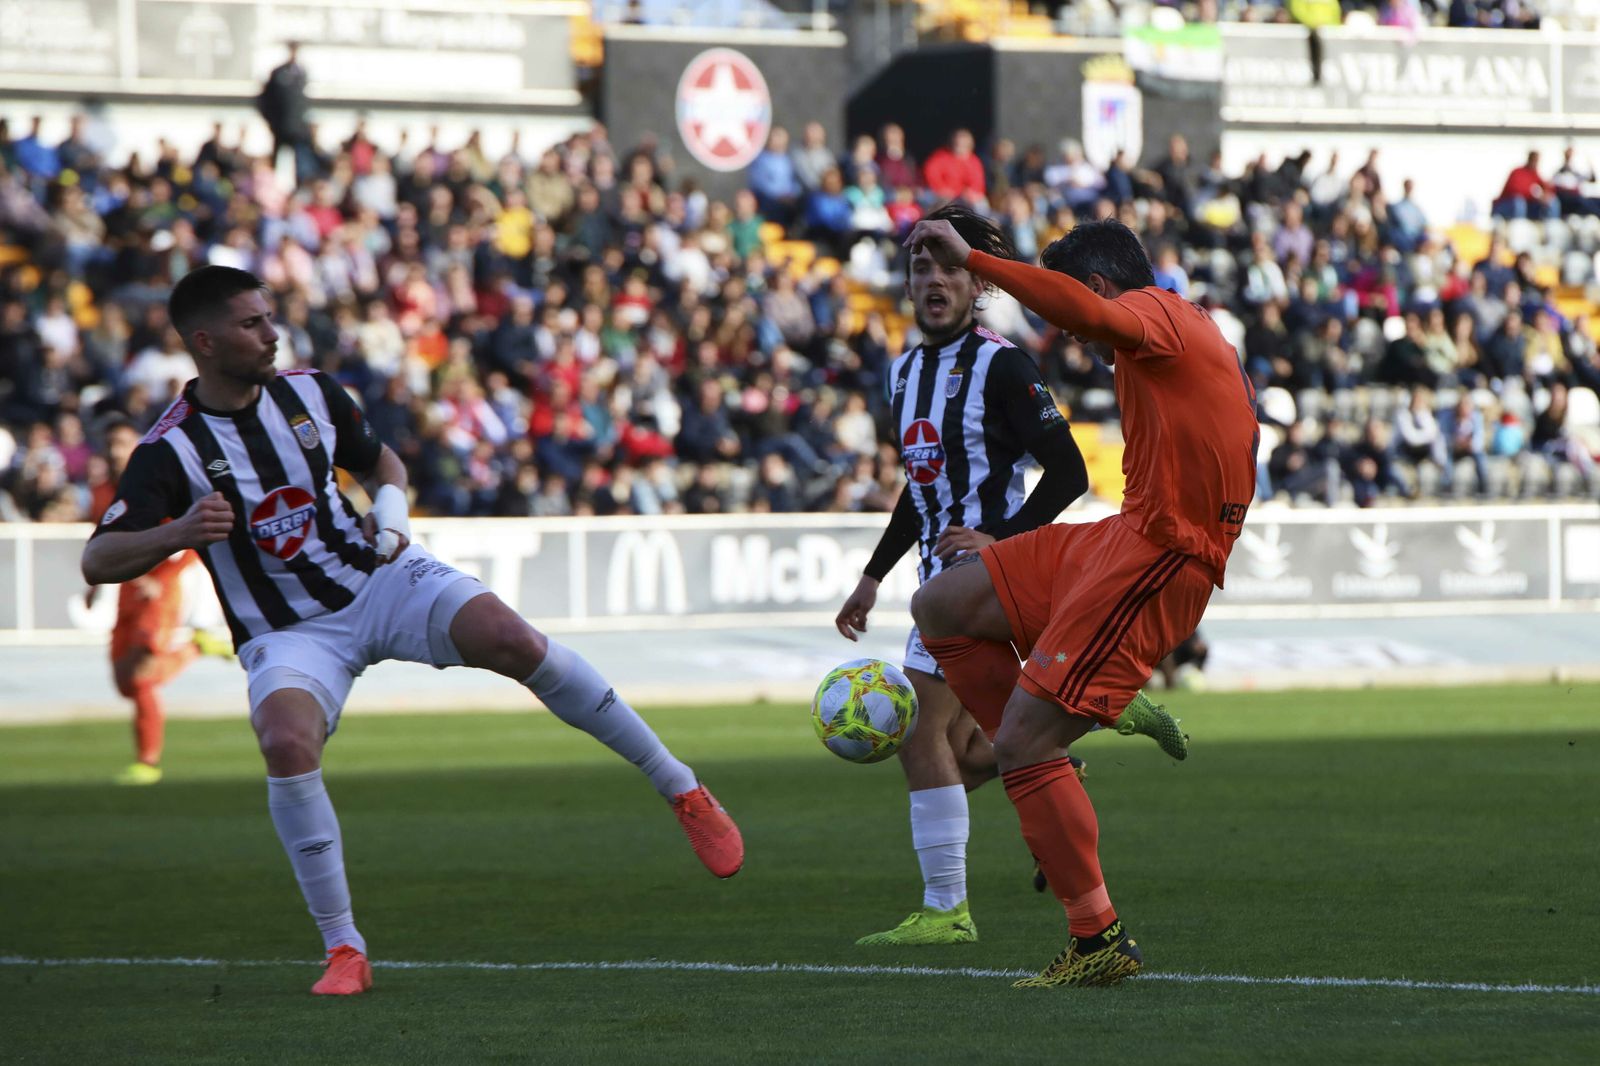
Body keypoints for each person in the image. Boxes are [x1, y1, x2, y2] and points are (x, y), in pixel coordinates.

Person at [80, 266, 743, 997]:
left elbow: (382, 462)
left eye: (270, 318)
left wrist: (391, 517)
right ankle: (344, 948)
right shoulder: (168, 449)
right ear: (204, 342)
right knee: (285, 741)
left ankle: (681, 788)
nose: (272, 334)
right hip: (287, 630)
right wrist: (176, 531)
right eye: (252, 324)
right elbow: (99, 558)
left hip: (378, 577)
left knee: (514, 639)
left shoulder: (312, 392)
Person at [898, 216, 1257, 987]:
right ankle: (1042, 763)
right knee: (941, 606)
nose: (1076, 339)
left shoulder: (1154, 315)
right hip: (1122, 536)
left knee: (1024, 745)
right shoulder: (1177, 333)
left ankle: (1097, 941)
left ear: (1096, 287)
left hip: (1160, 558)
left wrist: (979, 259)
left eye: (1077, 313)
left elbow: (1089, 314)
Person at [834, 205, 1188, 949]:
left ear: (977, 283)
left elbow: (1068, 471)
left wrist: (1001, 539)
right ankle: (1093, 725)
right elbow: (921, 490)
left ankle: (947, 909)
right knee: (968, 755)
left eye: (949, 266)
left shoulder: (1001, 364)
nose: (934, 280)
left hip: (988, 581)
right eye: (920, 268)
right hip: (939, 583)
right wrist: (872, 576)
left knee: (920, 737)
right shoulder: (903, 373)